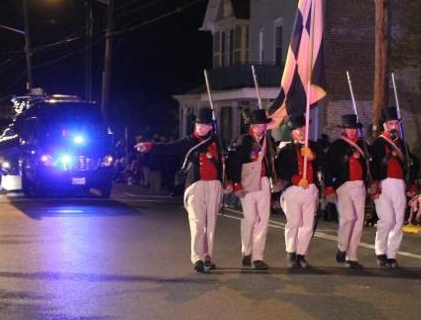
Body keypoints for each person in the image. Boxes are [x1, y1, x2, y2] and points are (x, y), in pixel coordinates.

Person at [136, 108, 228, 273]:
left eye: (205, 125)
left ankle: (207, 257)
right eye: (199, 124)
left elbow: (225, 163)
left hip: (214, 185)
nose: (201, 127)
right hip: (195, 185)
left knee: (210, 224)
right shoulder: (189, 141)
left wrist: (230, 181)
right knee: (197, 223)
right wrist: (149, 146)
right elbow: (169, 148)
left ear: (211, 127)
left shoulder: (218, 142)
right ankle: (197, 258)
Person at [227, 109, 276, 270]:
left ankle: (258, 256)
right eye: (257, 125)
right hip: (247, 182)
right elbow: (235, 163)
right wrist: (237, 184)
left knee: (263, 219)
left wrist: (275, 179)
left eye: (262, 125)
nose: (260, 128)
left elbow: (271, 162)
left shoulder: (269, 140)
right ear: (251, 126)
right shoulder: (243, 141)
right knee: (250, 219)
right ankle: (247, 250)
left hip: (263, 181)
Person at [275, 113, 324, 269]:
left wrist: (313, 157)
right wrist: (295, 178)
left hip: (310, 189)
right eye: (297, 130)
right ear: (292, 132)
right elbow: (280, 169)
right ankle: (291, 252)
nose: (300, 132)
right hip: (293, 191)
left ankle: (301, 254)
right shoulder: (287, 149)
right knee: (294, 223)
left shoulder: (314, 146)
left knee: (307, 225)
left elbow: (324, 164)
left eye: (303, 128)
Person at [323, 114, 370, 269]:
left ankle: (352, 256)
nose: (351, 131)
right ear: (343, 130)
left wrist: (371, 182)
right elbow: (328, 167)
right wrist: (329, 186)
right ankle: (342, 247)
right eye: (348, 128)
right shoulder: (337, 146)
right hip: (343, 185)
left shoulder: (363, 145)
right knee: (348, 217)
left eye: (353, 129)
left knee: (358, 221)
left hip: (360, 186)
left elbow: (369, 167)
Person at [369, 107, 409, 269]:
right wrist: (374, 183)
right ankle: (380, 251)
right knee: (386, 220)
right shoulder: (378, 143)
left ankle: (392, 254)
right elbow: (372, 166)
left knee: (398, 221)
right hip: (383, 183)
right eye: (390, 123)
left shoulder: (403, 144)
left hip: (399, 184)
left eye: (395, 123)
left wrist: (410, 183)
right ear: (385, 126)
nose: (393, 126)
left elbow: (409, 164)